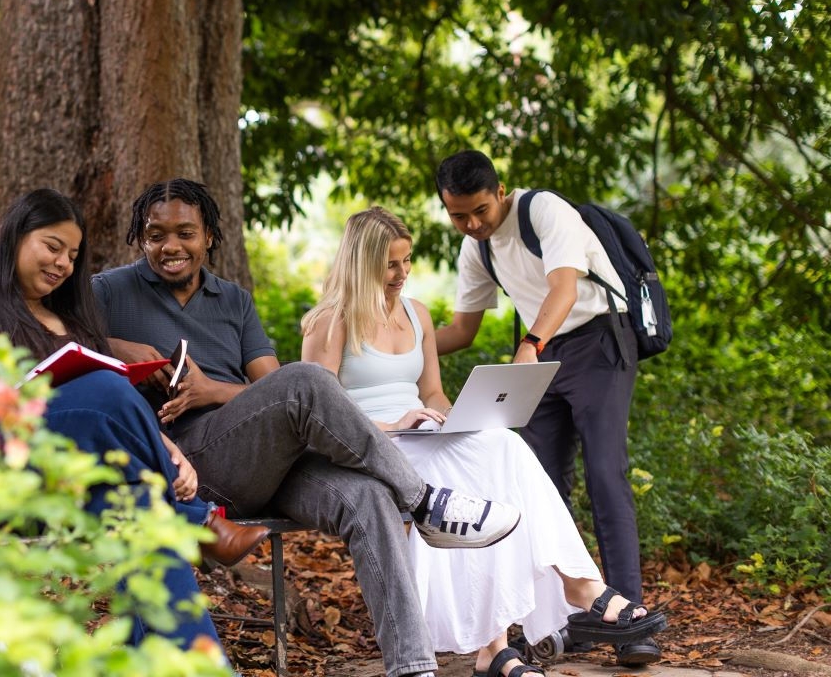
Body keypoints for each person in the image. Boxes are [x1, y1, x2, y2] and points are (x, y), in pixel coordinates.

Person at [92, 178, 523, 677]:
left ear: (209, 235)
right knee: (309, 379)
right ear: (140, 238)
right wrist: (115, 345)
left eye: (185, 233)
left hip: (266, 460)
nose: (170, 246)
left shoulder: (234, 301)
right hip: (189, 464)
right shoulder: (109, 291)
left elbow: (274, 391)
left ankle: (413, 668)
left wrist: (213, 390)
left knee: (369, 498)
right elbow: (57, 343)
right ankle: (427, 502)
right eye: (155, 234)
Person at [301, 206, 666, 677]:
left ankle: (574, 589)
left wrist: (455, 418)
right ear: (361, 262)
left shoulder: (417, 314)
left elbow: (431, 391)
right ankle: (497, 645)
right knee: (463, 477)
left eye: (407, 261)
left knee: (504, 446)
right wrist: (395, 425)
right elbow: (319, 413)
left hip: (421, 431)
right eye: (390, 264)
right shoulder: (329, 322)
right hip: (369, 443)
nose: (402, 274)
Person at [0, 187, 270, 655]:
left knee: (139, 506)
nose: (62, 263)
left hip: (54, 481)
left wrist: (167, 449)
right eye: (52, 247)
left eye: (73, 255)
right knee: (105, 392)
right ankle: (199, 522)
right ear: (15, 236)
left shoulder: (63, 320)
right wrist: (14, 381)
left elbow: (100, 410)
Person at [433, 150, 660, 666]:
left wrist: (532, 342)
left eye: (481, 211)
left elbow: (563, 287)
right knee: (540, 486)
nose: (472, 224)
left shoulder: (543, 211)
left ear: (501, 192)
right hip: (543, 351)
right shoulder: (478, 248)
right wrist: (389, 338)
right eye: (458, 216)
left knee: (605, 473)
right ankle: (565, 621)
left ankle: (629, 621)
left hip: (598, 340)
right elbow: (462, 331)